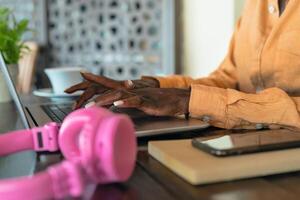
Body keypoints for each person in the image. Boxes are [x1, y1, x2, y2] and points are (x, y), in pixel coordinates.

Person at [66, 0, 300, 130]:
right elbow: (228, 78)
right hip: (247, 146)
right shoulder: (255, 5)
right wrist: (147, 88)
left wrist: (188, 100)